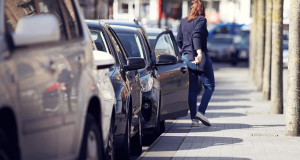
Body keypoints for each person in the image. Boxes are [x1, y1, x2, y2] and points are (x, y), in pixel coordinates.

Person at [176, 0, 215, 127]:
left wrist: (184, 54)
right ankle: (201, 112)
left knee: (192, 89)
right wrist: (199, 54)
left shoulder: (183, 21)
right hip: (199, 59)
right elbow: (196, 35)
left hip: (186, 58)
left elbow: (179, 40)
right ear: (202, 9)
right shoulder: (201, 20)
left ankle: (194, 120)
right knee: (209, 86)